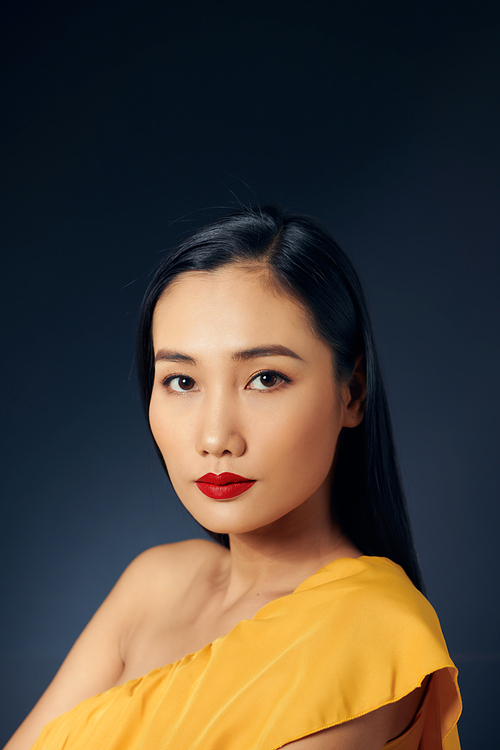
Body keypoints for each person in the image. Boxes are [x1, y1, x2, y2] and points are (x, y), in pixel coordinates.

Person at [5, 205, 461, 750]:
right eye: (180, 381)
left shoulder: (371, 627)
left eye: (265, 378)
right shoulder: (155, 582)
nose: (216, 436)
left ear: (352, 393)